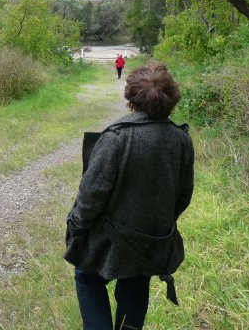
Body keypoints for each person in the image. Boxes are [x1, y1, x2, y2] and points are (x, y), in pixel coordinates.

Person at [64, 62, 194, 330]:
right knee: (135, 289)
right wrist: (157, 226)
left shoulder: (116, 138)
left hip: (108, 240)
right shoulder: (181, 140)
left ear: (131, 97)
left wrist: (76, 227)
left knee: (87, 278)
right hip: (150, 240)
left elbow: (91, 196)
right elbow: (182, 197)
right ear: (171, 98)